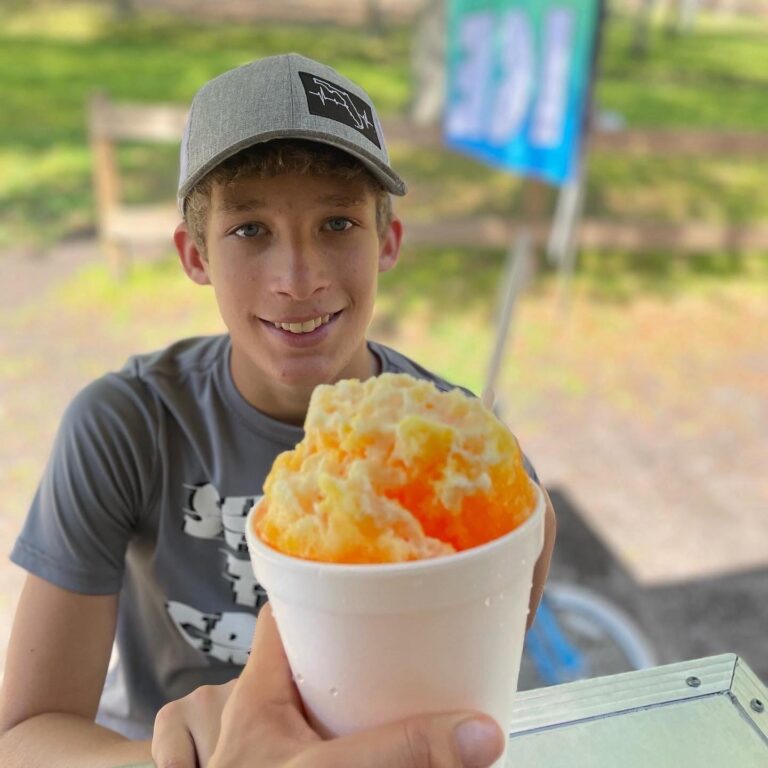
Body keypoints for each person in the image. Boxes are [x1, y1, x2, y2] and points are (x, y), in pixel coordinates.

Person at [0, 53, 556, 767]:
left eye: (336, 223)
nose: (299, 279)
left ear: (387, 239)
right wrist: (184, 759)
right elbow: (24, 735)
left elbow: (472, 691)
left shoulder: (454, 454)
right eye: (249, 230)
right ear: (194, 253)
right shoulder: (128, 426)